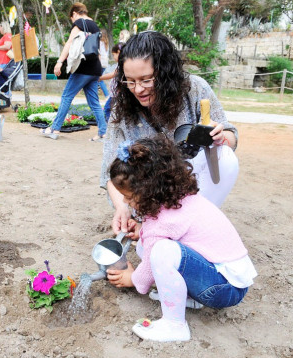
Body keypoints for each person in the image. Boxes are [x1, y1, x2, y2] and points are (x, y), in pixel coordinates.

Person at [107, 136, 257, 342]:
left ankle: (174, 325)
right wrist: (142, 229)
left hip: (223, 288)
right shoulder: (180, 198)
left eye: (130, 197)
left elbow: (151, 262)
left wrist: (132, 279)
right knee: (149, 244)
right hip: (227, 278)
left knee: (160, 251)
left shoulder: (161, 221)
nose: (125, 201)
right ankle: (187, 297)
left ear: (151, 191)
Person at [101, 31, 239, 234]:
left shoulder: (195, 89)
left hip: (192, 185)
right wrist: (122, 207)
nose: (138, 89)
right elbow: (109, 168)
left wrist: (221, 137)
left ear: (166, 72)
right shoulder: (121, 107)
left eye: (146, 80)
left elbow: (231, 137)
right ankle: (158, 226)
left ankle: (188, 226)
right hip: (150, 194)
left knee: (226, 156)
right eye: (130, 81)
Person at [39, 3, 107, 141]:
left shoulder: (79, 23)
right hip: (95, 70)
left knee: (66, 97)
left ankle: (54, 128)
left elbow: (70, 43)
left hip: (82, 69)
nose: (72, 21)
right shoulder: (95, 26)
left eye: (72, 18)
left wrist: (59, 62)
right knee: (94, 102)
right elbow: (97, 50)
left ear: (75, 13)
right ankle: (103, 133)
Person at [96, 43, 121, 131]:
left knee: (107, 109)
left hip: (116, 94)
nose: (113, 57)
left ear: (119, 52)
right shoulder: (120, 64)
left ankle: (112, 128)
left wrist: (100, 77)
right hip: (114, 94)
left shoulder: (122, 64)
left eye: (114, 55)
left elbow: (113, 74)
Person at [98, 29, 110, 98]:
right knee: (99, 79)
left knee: (99, 79)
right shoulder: (106, 43)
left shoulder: (99, 42)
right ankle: (105, 94)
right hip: (105, 63)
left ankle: (106, 94)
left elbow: (99, 53)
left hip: (100, 62)